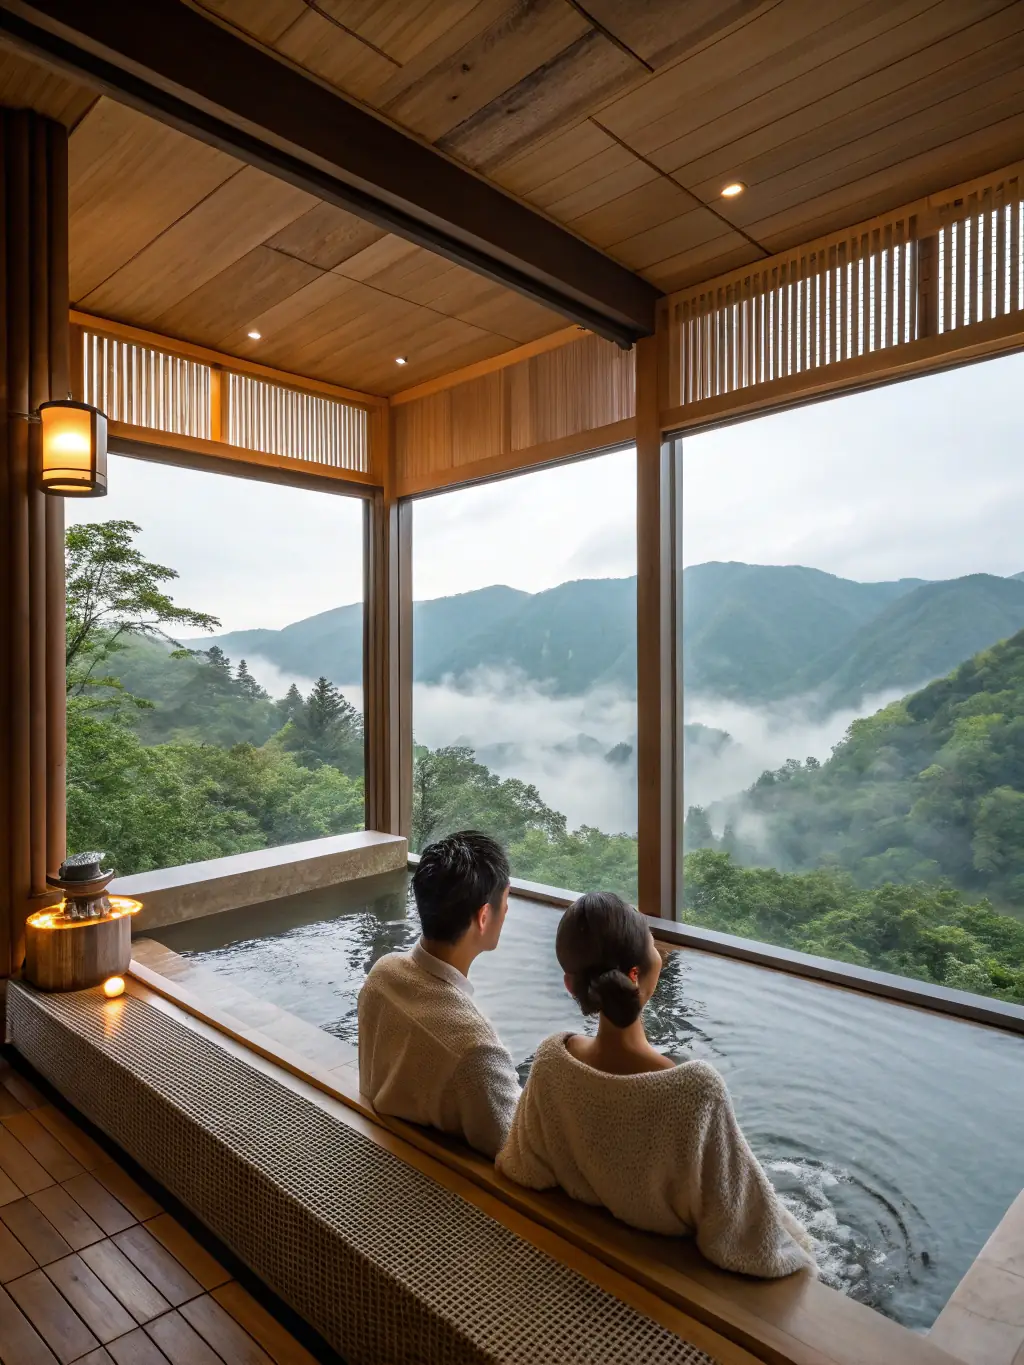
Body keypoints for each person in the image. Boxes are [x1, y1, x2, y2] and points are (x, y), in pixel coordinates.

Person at [497, 892, 814, 1278]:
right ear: (636, 976)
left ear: (570, 984)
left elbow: (524, 1167)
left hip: (575, 1264)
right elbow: (747, 1238)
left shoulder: (551, 1063)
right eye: (653, 944)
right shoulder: (694, 1091)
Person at [358, 830, 520, 1158]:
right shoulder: (476, 1050)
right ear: (484, 917)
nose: (508, 911)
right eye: (506, 901)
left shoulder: (382, 975)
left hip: (382, 1153)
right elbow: (519, 1149)